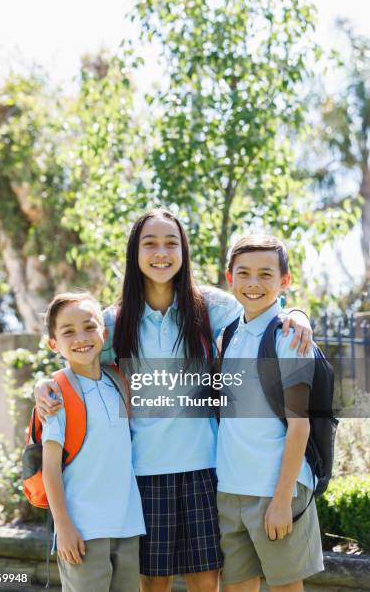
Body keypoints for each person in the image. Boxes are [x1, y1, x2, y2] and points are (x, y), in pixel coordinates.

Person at [35, 209, 313, 592]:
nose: (161, 252)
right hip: (144, 474)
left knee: (205, 583)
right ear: (135, 253)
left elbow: (262, 310)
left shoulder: (212, 307)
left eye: (171, 242)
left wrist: (298, 314)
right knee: (155, 585)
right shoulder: (114, 321)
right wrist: (43, 383)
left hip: (207, 468)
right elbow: (76, 350)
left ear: (183, 250)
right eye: (150, 243)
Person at [216, 234, 324, 592]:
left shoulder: (290, 338)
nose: (253, 283)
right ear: (229, 278)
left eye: (266, 274)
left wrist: (281, 500)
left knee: (285, 588)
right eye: (243, 273)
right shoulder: (228, 335)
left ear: (284, 281)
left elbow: (299, 426)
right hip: (231, 490)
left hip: (277, 490)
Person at [41, 292, 145, 592]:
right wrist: (63, 527)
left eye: (89, 327)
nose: (81, 338)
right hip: (83, 529)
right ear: (53, 344)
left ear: (104, 333)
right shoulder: (56, 394)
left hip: (127, 524)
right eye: (68, 332)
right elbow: (50, 468)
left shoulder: (119, 382)